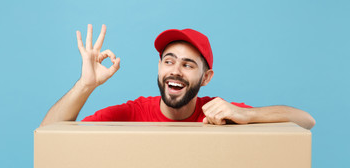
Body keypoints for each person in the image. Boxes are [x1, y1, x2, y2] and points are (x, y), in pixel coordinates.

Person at [40, 24, 315, 129]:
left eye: (188, 65)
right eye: (168, 61)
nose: (175, 70)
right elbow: (48, 133)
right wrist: (85, 86)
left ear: (206, 77)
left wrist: (246, 115)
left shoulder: (219, 111)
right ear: (159, 68)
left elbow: (306, 120)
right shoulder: (133, 113)